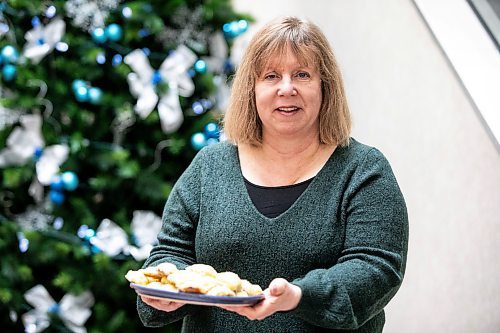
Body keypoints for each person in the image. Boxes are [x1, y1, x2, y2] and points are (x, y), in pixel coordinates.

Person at [137, 16, 409, 333]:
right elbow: (169, 254)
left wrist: (299, 296)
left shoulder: (364, 170)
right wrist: (166, 288)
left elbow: (376, 269)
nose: (286, 88)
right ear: (251, 90)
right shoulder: (209, 165)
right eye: (271, 76)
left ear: (325, 87)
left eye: (302, 74)